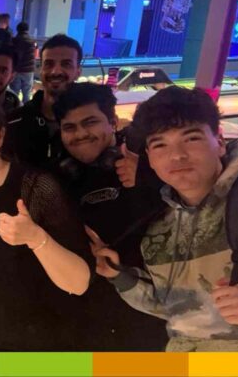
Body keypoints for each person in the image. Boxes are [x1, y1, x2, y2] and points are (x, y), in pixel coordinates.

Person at [93, 87, 238, 351]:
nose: (177, 155)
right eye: (160, 144)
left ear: (219, 141)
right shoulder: (160, 228)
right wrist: (120, 276)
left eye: (191, 139)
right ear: (149, 157)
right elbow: (182, 311)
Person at [0, 92, 93, 351]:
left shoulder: (37, 188)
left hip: (37, 345)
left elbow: (79, 283)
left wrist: (36, 239)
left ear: (0, 136)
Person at [53, 83, 168, 351]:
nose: (80, 133)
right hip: (84, 320)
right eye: (70, 127)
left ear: (113, 122)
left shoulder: (148, 168)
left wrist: (150, 177)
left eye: (90, 122)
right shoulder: (58, 181)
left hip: (144, 319)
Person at [5, 33, 83, 168]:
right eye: (49, 64)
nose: (55, 71)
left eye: (66, 64)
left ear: (78, 72)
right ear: (40, 70)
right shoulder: (14, 122)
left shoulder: (88, 126)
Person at [12, 22, 37, 104]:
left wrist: (14, 69)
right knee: (26, 93)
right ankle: (26, 112)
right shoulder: (32, 41)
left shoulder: (15, 41)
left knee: (15, 93)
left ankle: (14, 111)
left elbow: (17, 56)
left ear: (17, 29)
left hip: (17, 70)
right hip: (28, 71)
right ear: (27, 30)